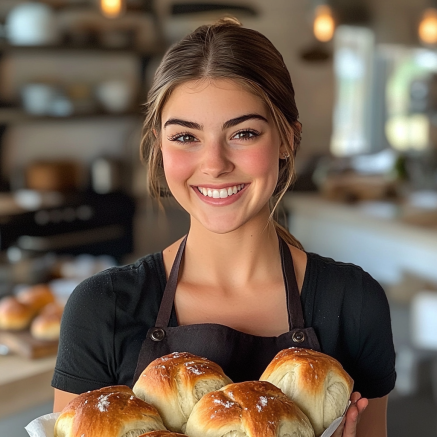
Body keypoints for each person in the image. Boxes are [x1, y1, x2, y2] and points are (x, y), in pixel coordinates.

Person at [52, 17, 396, 437]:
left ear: (288, 138)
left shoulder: (355, 304)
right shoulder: (101, 309)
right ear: (159, 145)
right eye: (185, 137)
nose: (214, 164)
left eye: (244, 133)